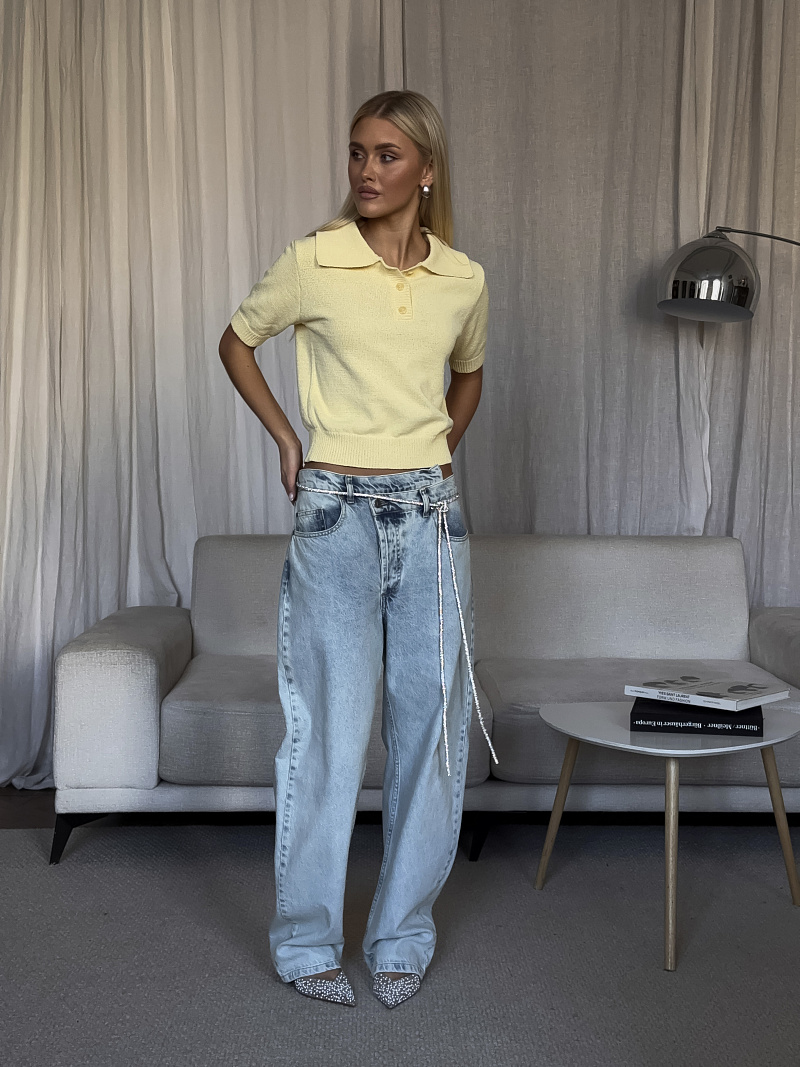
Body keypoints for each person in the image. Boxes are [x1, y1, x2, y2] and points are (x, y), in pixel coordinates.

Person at [218, 89, 495, 1009]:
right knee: (330, 738)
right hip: (335, 513)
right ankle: (306, 943)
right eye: (356, 153)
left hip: (432, 519)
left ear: (427, 169)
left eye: (386, 155)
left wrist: (435, 451)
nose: (366, 171)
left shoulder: (463, 277)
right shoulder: (316, 258)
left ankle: (401, 934)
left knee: (431, 737)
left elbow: (469, 373)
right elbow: (237, 341)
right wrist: (286, 439)